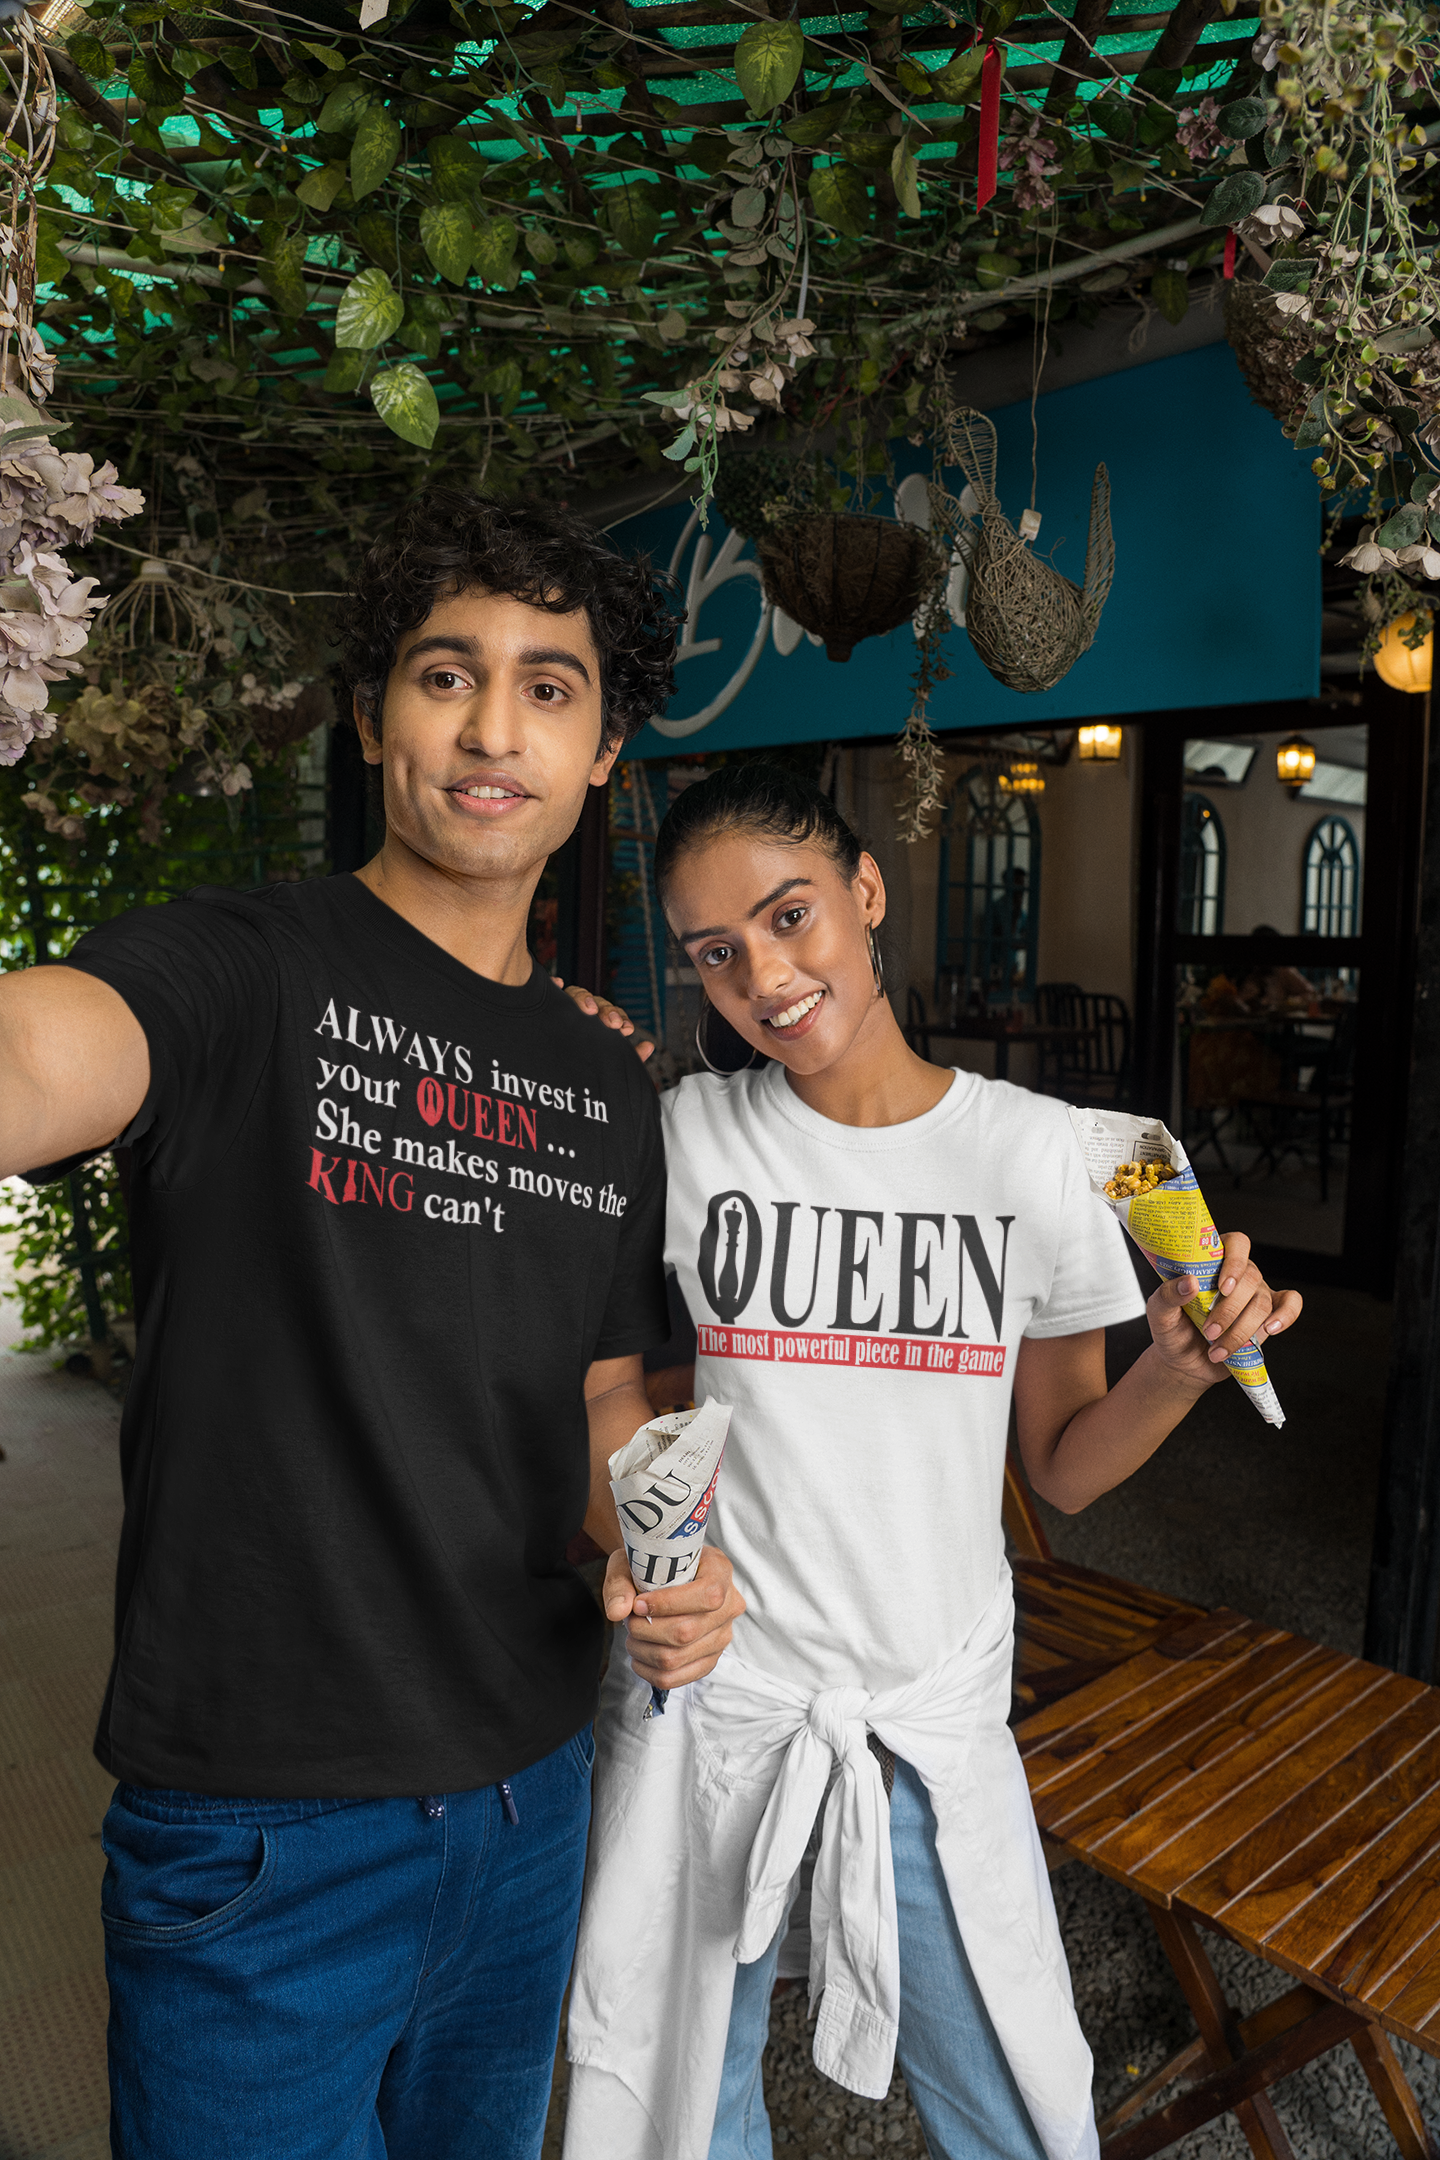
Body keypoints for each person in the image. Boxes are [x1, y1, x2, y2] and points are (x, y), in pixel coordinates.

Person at [0, 490, 743, 2160]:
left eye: (550, 687)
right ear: (371, 716)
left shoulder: (605, 1081)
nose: (494, 730)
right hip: (266, 1826)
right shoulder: (243, 970)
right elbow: (43, 1056)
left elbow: (608, 1383)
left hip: (533, 1784)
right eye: (445, 675)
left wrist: (666, 1545)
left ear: (605, 747)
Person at [561, 764, 1301, 2160]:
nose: (765, 978)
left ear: (868, 892)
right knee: (669, 2099)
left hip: (925, 1712)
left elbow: (1066, 1472)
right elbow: (610, 1376)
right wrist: (557, 1042)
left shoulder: (1042, 1157)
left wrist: (1181, 1368)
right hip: (723, 1699)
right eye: (717, 955)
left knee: (1018, 2103)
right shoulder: (685, 1139)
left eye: (791, 918)